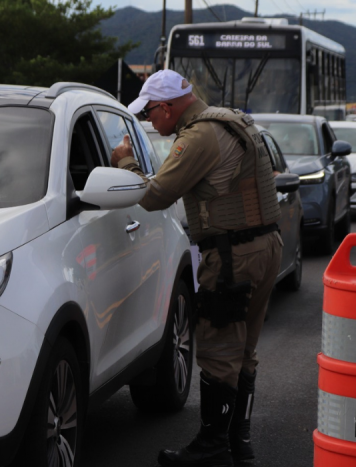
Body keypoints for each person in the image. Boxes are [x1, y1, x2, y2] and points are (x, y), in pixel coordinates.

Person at [111, 70, 282, 467]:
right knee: (244, 351)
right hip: (265, 246)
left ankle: (213, 447)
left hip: (231, 257)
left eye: (150, 112)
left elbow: (154, 196)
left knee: (220, 351)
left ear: (168, 106)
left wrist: (127, 163)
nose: (149, 121)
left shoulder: (199, 136)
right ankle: (239, 443)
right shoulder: (233, 119)